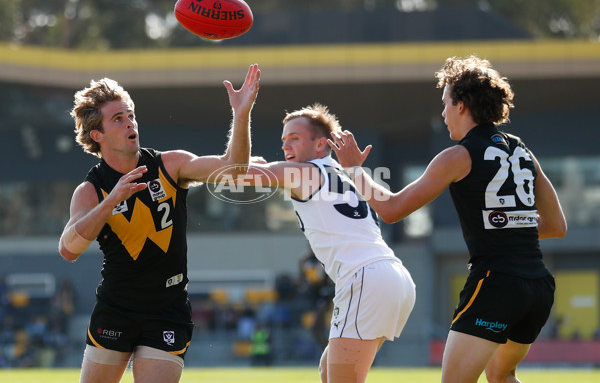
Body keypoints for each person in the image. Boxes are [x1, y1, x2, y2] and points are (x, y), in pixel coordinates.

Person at [328, 55, 567, 383]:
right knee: (502, 375)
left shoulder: (458, 156)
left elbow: (393, 209)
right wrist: (508, 232)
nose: (443, 113)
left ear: (462, 105)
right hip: (538, 286)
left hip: (496, 284)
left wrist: (354, 169)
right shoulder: (523, 152)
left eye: (446, 103)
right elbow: (557, 226)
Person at [58, 64, 260, 383]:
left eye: (130, 115)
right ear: (98, 135)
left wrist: (242, 113)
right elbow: (69, 250)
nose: (130, 124)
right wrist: (111, 201)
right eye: (118, 119)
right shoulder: (90, 191)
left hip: (167, 308)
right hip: (117, 306)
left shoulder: (170, 164)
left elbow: (235, 170)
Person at [238, 103, 416, 383]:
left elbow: (234, 173)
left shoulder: (304, 172)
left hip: (365, 278)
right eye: (284, 140)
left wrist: (240, 115)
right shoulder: (344, 171)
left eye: (294, 138)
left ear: (321, 143)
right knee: (328, 372)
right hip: (394, 277)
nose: (286, 145)